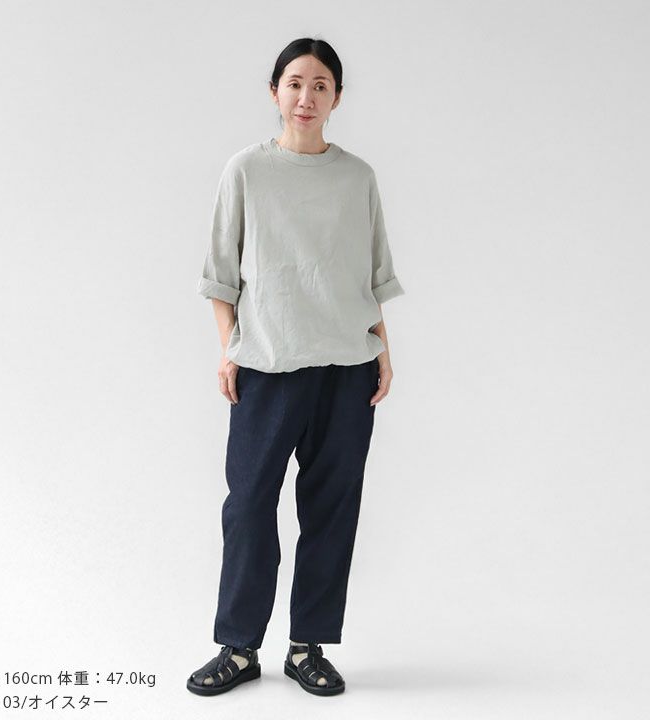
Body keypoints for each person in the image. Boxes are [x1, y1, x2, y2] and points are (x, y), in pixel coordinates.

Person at [187, 37, 405, 697]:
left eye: (320, 86)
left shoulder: (357, 178)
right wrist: (229, 348)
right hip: (267, 366)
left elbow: (372, 274)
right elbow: (221, 274)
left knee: (332, 509)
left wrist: (383, 349)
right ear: (274, 91)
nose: (306, 97)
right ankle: (238, 647)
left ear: (336, 97)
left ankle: (308, 646)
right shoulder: (246, 171)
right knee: (249, 507)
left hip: (346, 369)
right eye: (294, 83)